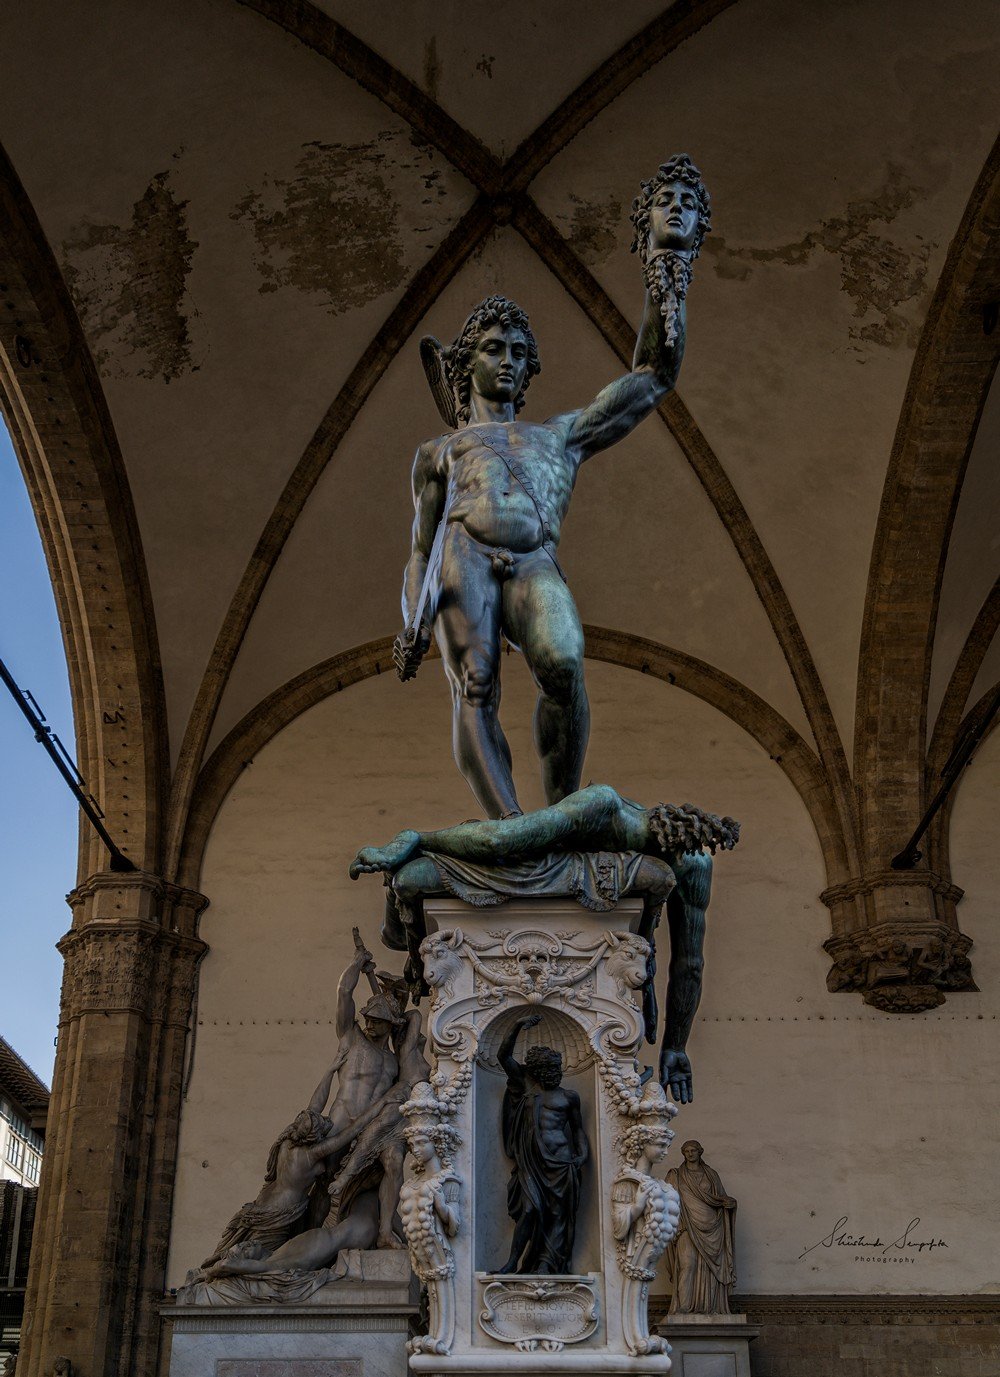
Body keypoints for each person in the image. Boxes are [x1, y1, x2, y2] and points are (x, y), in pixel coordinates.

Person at [393, 157, 710, 821]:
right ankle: (510, 829)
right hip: (463, 553)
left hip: (534, 557)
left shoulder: (559, 437)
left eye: (516, 349)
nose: (506, 358)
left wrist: (666, 269)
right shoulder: (437, 453)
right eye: (491, 348)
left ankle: (559, 809)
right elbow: (419, 548)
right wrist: (410, 618)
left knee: (564, 663)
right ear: (465, 363)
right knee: (475, 682)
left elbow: (653, 373)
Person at [351, 782, 739, 1104]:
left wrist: (677, 1045)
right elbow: (499, 841)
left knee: (658, 878)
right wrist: (416, 839)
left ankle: (405, 917)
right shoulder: (603, 805)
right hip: (519, 863)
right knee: (407, 883)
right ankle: (405, 905)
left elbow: (690, 963)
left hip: (564, 872)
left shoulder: (687, 866)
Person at [494, 1012, 588, 1275]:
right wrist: (516, 1025)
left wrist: (582, 1154)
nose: (555, 1074)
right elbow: (503, 1057)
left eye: (557, 1070)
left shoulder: (570, 1097)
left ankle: (547, 1263)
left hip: (562, 1163)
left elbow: (578, 1130)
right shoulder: (525, 1086)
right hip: (532, 1164)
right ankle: (513, 1262)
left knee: (558, 1215)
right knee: (529, 1209)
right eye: (550, 1070)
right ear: (537, 1072)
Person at [665, 1141, 737, 1315]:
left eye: (693, 1150)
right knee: (688, 1264)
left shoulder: (711, 1174)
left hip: (712, 1227)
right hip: (686, 1226)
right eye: (686, 1151)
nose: (690, 1154)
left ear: (700, 1152)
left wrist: (730, 1202)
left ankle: (710, 1307)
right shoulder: (676, 1175)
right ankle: (683, 1306)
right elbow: (668, 1203)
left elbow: (720, 1197)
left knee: (709, 1268)